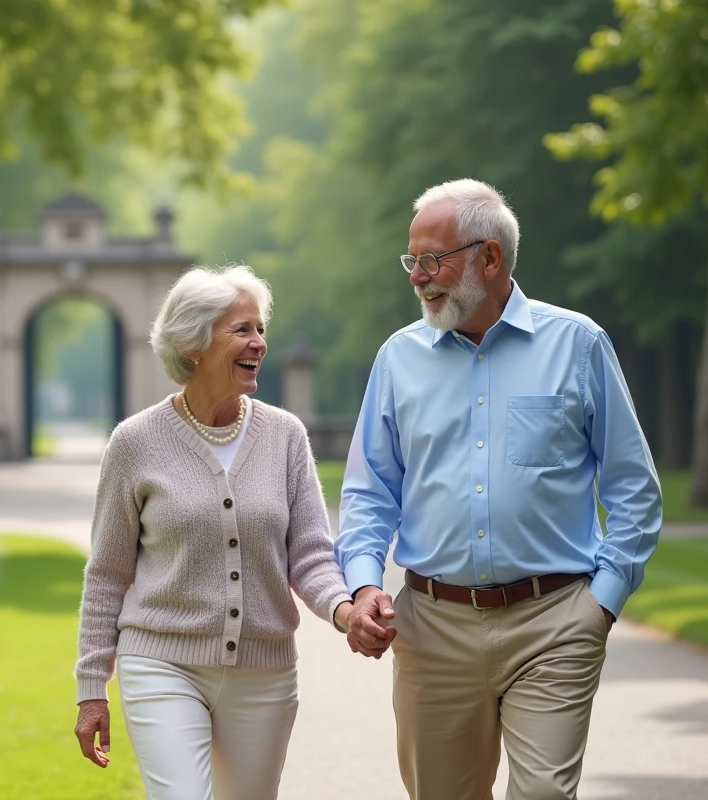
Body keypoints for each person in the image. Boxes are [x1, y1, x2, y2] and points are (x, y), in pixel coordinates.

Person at [335, 179, 663, 800]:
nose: (418, 276)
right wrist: (365, 583)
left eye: (434, 259)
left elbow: (634, 487)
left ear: (490, 258)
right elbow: (370, 493)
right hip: (432, 628)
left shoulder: (579, 345)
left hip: (556, 622)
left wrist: (602, 603)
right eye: (413, 260)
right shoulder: (396, 360)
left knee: (543, 794)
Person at [73, 264, 354, 800]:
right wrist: (92, 689)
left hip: (263, 672)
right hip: (162, 662)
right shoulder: (135, 443)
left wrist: (343, 610)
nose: (259, 344)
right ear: (193, 343)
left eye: (261, 330)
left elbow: (312, 555)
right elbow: (107, 574)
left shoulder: (285, 436)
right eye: (242, 330)